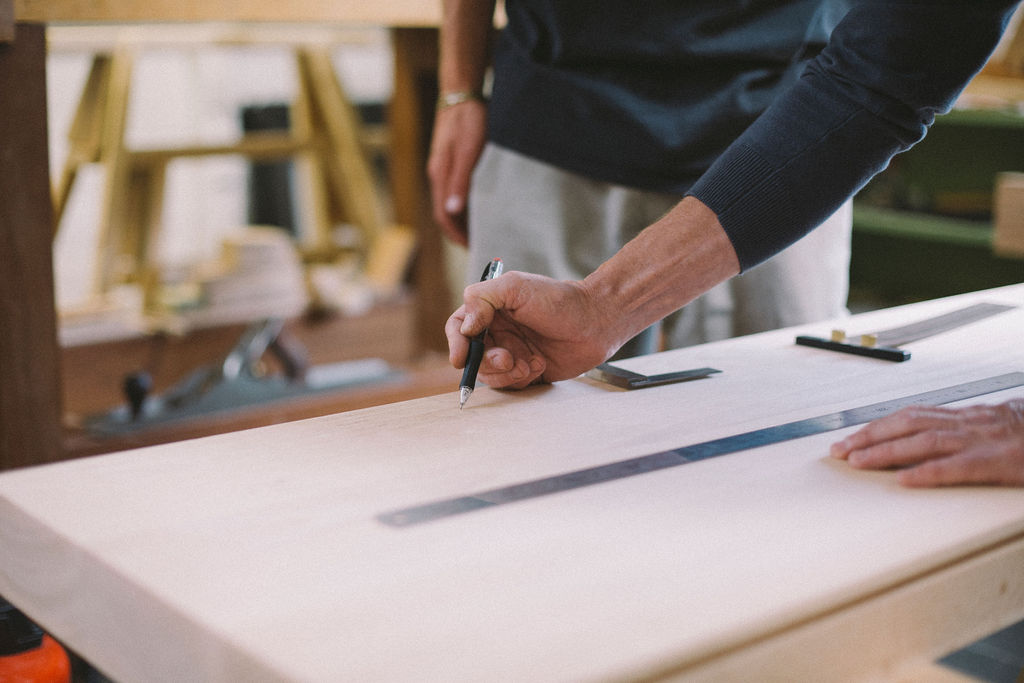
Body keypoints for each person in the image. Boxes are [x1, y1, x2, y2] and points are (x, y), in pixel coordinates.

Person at [439, 0, 1024, 487]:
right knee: (526, 450)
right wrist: (599, 309)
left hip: (786, 93)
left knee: (789, 465)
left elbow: (893, 66)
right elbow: (889, 69)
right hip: (557, 98)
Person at [429, 0, 855, 356]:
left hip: (786, 118)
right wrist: (458, 90)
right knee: (526, 411)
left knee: (774, 417)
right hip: (554, 106)